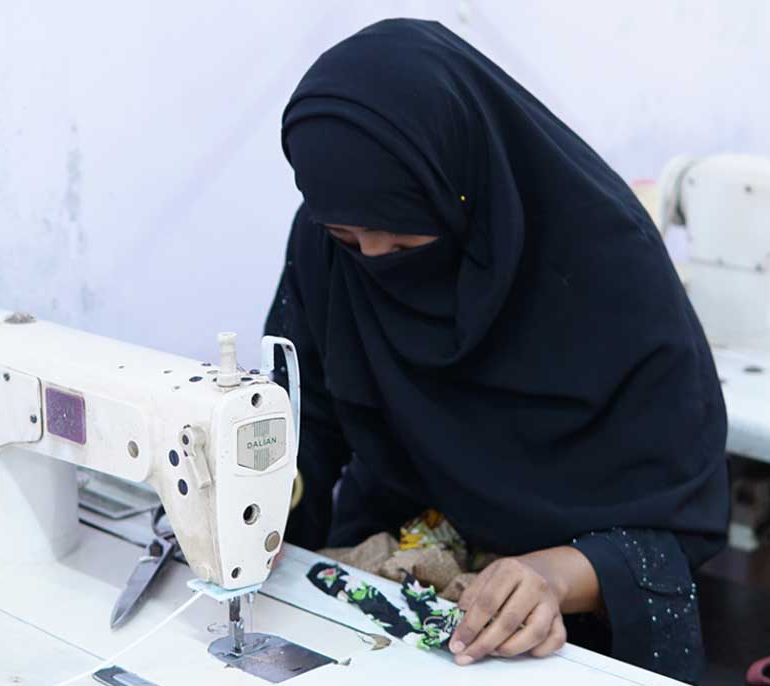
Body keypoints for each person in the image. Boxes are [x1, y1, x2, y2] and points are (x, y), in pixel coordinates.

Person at [264, 19, 728, 683]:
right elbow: (305, 418)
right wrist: (252, 503)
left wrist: (554, 575)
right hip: (400, 556)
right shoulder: (328, 242)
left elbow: (688, 521)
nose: (372, 263)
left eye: (402, 245)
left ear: (461, 192)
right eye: (347, 239)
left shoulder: (605, 265)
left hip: (571, 621)